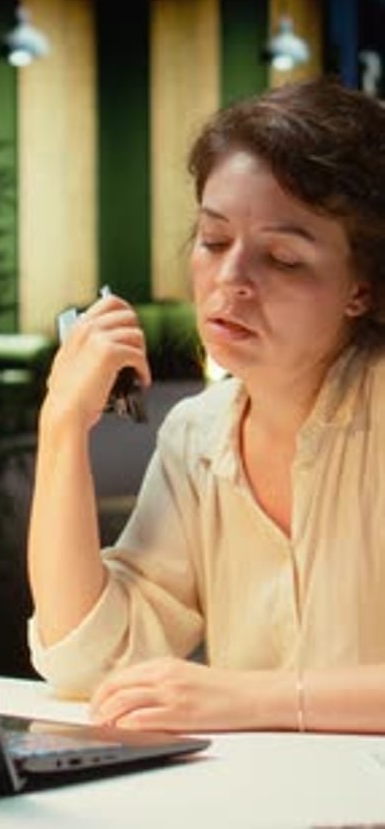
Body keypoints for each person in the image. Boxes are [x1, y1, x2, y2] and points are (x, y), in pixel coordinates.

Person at [27, 77, 385, 734]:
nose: (230, 280)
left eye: (282, 258)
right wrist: (61, 429)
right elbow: (89, 660)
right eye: (214, 241)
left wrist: (252, 699)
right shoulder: (199, 432)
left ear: (361, 289)